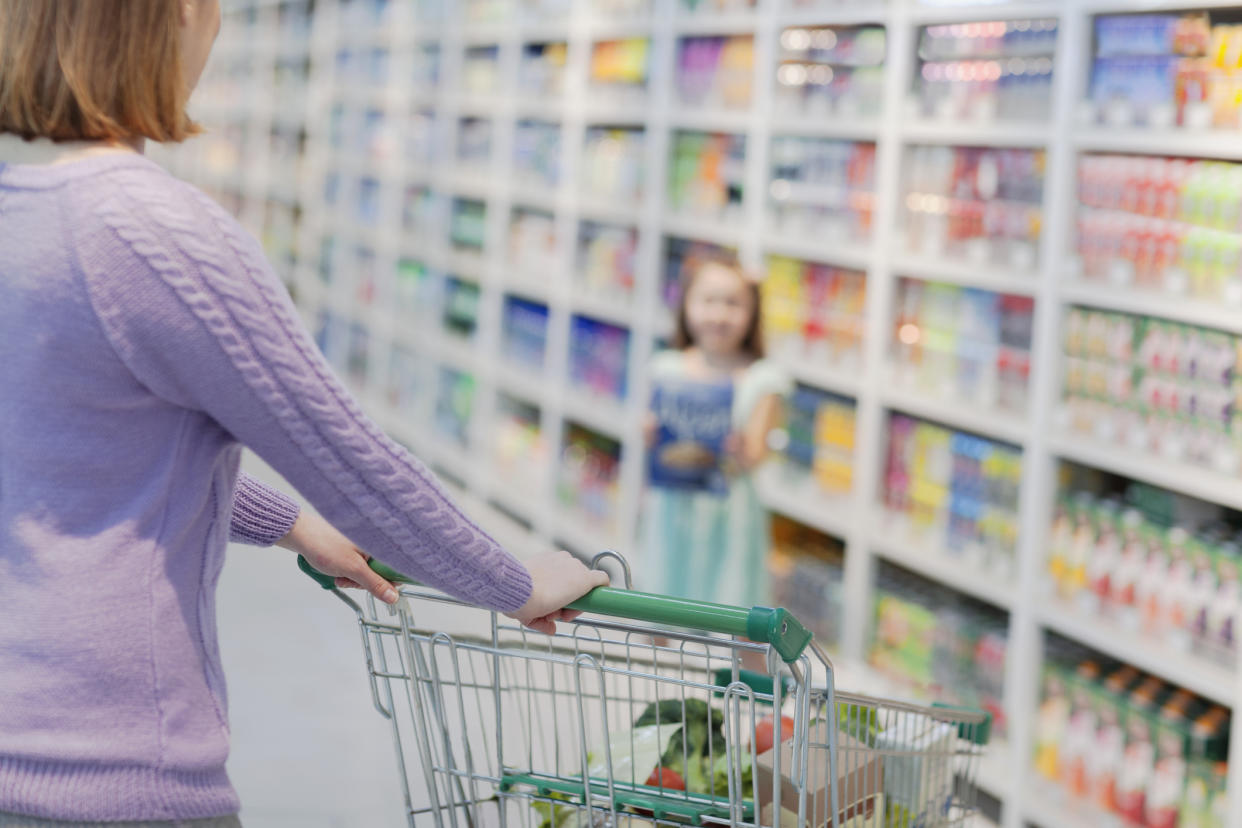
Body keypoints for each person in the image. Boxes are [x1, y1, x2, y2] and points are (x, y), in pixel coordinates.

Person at [0, 1, 608, 824]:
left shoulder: (22, 209)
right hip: (112, 775)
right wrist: (514, 580)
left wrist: (290, 523)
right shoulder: (153, 232)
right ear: (175, 16)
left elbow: (80, 441)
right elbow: (355, 466)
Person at [641, 256, 790, 610]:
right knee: (659, 607)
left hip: (731, 517)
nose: (719, 314)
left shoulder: (761, 379)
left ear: (753, 313)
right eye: (708, 301)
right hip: (673, 512)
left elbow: (756, 456)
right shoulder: (667, 368)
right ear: (686, 306)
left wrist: (740, 448)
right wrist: (650, 435)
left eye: (733, 303)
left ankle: (740, 669)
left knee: (737, 612)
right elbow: (655, 438)